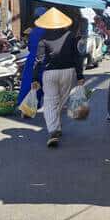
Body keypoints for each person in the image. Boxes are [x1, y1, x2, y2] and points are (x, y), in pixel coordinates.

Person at [30, 8, 85, 147]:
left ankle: (53, 131)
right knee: (61, 99)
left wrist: (35, 78)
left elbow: (39, 60)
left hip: (50, 73)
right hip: (68, 71)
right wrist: (80, 75)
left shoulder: (43, 39)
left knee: (50, 102)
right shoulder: (72, 36)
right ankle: (56, 126)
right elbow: (77, 57)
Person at [17, 6, 48, 107]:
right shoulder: (48, 31)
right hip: (43, 60)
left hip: (32, 59)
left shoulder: (33, 31)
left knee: (28, 81)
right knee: (40, 81)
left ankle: (24, 102)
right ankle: (35, 103)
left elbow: (30, 47)